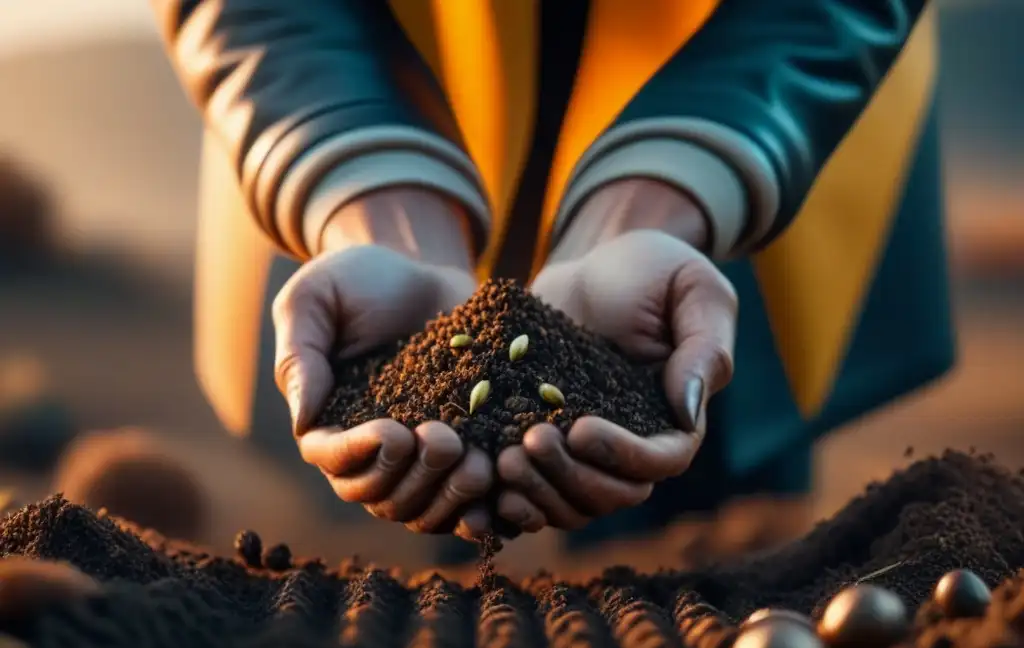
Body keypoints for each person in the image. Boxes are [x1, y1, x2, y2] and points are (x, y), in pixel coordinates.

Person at [151, 0, 952, 559]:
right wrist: (368, 189)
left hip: (754, 103)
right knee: (416, 518)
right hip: (369, 82)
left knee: (716, 502)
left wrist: (673, 183)